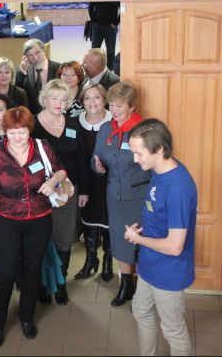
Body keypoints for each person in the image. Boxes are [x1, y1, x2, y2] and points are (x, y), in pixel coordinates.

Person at [0, 106, 67, 346]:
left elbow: (61, 170)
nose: (17, 137)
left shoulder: (43, 147)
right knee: (5, 274)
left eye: (22, 132)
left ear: (29, 130)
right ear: (5, 131)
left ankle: (27, 318)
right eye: (12, 133)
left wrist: (53, 180)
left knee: (31, 271)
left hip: (39, 219)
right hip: (6, 220)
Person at [126, 118, 197, 356]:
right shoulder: (158, 171)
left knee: (173, 331)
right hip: (150, 264)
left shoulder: (178, 188)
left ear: (159, 149)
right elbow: (160, 214)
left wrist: (138, 240)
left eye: (139, 153)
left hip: (169, 271)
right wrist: (144, 230)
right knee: (141, 310)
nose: (135, 159)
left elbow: (175, 246)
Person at [92, 81, 149, 306]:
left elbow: (155, 164)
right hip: (114, 197)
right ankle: (125, 285)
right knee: (120, 240)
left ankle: (142, 288)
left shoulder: (144, 130)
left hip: (139, 196)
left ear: (132, 106)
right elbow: (96, 157)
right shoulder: (106, 129)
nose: (114, 111)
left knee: (142, 243)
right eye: (111, 105)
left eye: (119, 106)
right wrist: (97, 167)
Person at [31, 80, 88, 305]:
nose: (59, 103)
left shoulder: (73, 124)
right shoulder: (32, 124)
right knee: (40, 239)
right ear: (44, 99)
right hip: (39, 191)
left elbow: (82, 159)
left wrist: (84, 191)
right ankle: (43, 284)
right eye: (54, 98)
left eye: (64, 99)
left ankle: (61, 283)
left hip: (68, 192)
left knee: (64, 239)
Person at [73, 83, 114, 282]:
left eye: (96, 97)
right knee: (89, 219)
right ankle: (91, 259)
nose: (92, 102)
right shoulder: (75, 123)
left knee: (109, 220)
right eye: (87, 98)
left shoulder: (114, 121)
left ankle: (108, 260)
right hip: (86, 181)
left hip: (110, 180)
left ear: (104, 99)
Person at [15, 39, 61, 114]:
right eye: (30, 55)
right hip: (31, 115)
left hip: (54, 113)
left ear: (44, 50)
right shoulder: (22, 70)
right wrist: (22, 71)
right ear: (26, 57)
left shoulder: (58, 68)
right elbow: (17, 92)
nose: (35, 58)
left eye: (38, 52)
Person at [88, 2, 120, 70]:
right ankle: (94, 69)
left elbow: (123, 8)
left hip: (111, 28)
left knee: (110, 51)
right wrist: (94, 22)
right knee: (94, 50)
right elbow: (90, 8)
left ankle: (110, 70)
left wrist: (116, 23)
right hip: (97, 27)